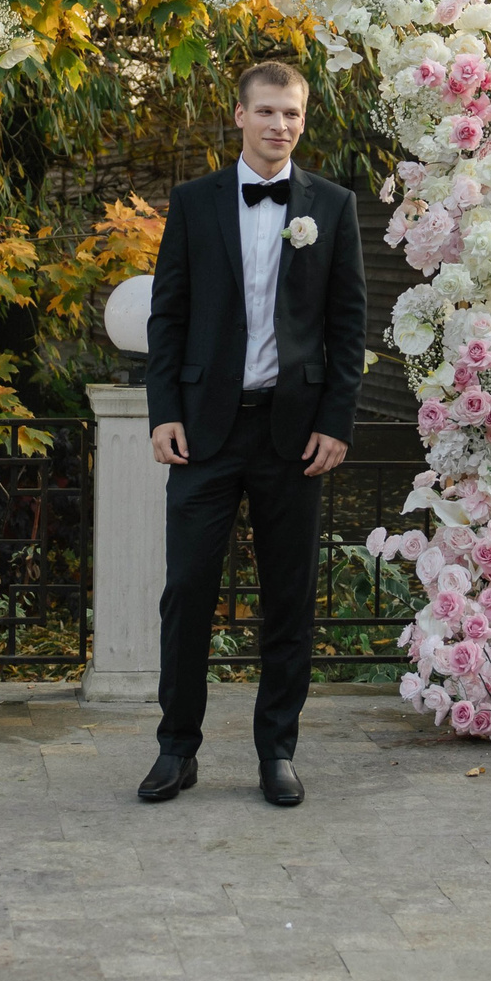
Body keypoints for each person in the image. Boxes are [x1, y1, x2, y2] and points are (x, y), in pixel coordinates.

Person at [140, 60, 368, 808]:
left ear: (304, 120)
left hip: (293, 435)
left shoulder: (331, 207)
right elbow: (167, 317)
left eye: (293, 114)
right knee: (187, 595)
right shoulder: (193, 202)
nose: (281, 126)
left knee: (289, 599)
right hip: (203, 435)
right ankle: (177, 748)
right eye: (267, 112)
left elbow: (347, 324)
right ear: (238, 115)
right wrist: (163, 410)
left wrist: (336, 421)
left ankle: (278, 751)